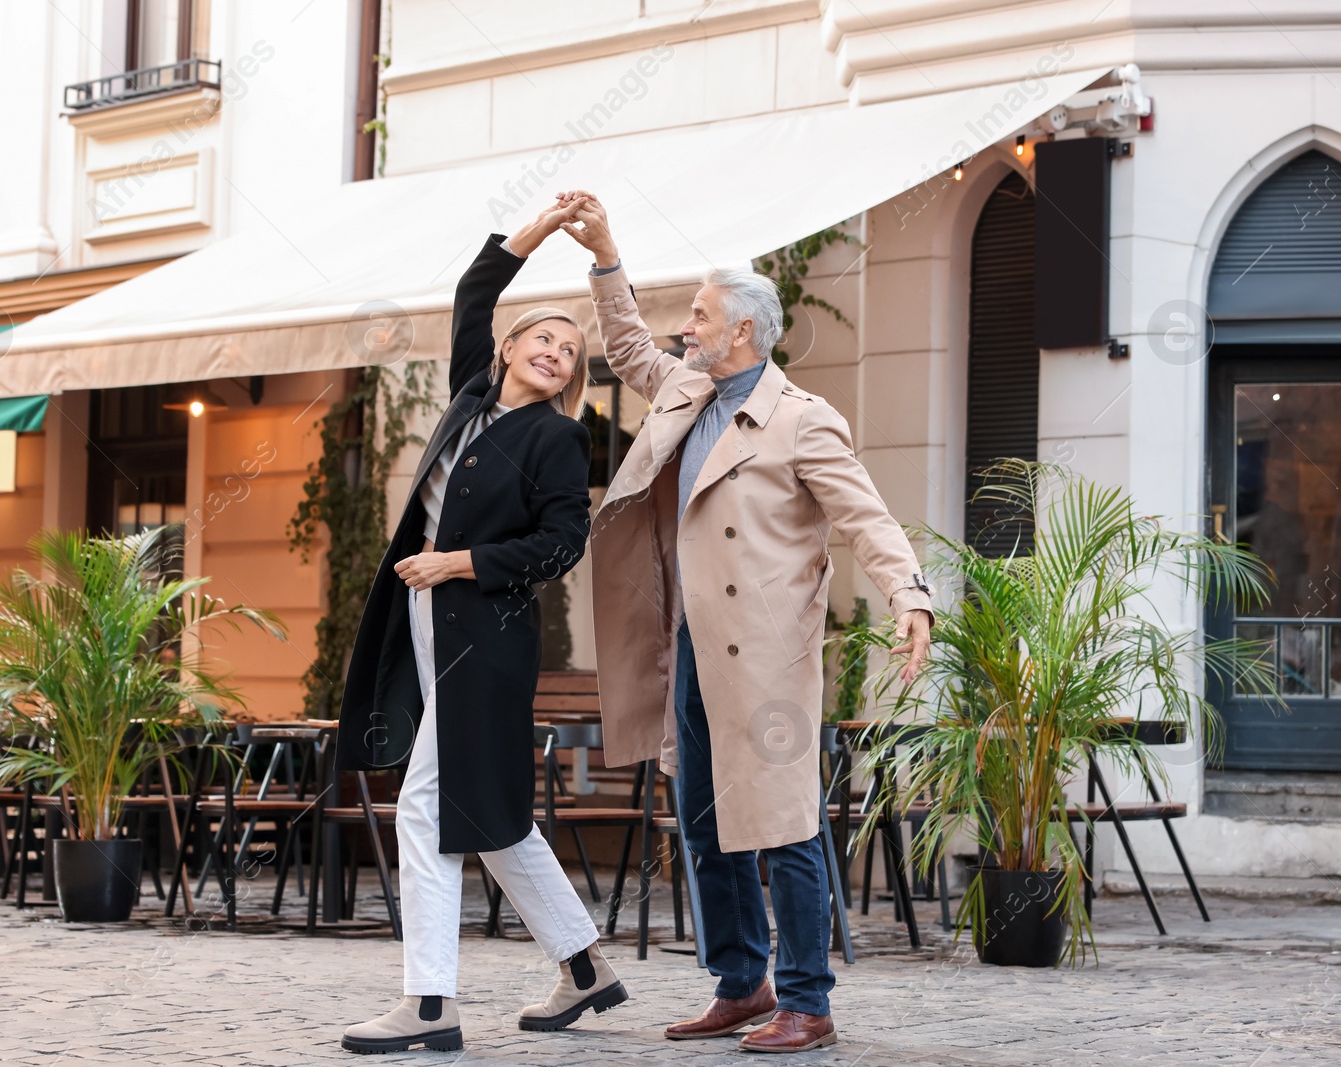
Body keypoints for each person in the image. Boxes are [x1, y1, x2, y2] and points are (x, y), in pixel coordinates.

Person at [558, 192, 932, 1054]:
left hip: (767, 656)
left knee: (786, 824)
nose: (686, 329)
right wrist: (608, 251)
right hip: (688, 647)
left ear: (744, 334)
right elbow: (625, 346)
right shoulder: (687, 387)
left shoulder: (803, 421)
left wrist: (909, 593)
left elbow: (866, 517)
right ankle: (742, 980)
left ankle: (808, 998)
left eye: (700, 316)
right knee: (701, 818)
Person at [336, 199, 628, 1055]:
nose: (556, 350)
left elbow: (561, 541)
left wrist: (456, 562)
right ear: (507, 348)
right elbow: (476, 289)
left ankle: (430, 1002)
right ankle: (585, 968)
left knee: (424, 810)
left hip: (487, 640)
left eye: (571, 350)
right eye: (543, 337)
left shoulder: (556, 439)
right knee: (490, 813)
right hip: (423, 623)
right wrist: (541, 229)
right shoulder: (472, 395)